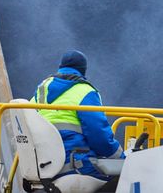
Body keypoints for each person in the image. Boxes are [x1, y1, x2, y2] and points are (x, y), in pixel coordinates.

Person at [31, 50, 124, 181]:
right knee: (120, 181)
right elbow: (99, 136)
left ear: (60, 67)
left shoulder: (41, 90)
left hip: (42, 167)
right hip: (73, 165)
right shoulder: (85, 91)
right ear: (83, 70)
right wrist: (121, 157)